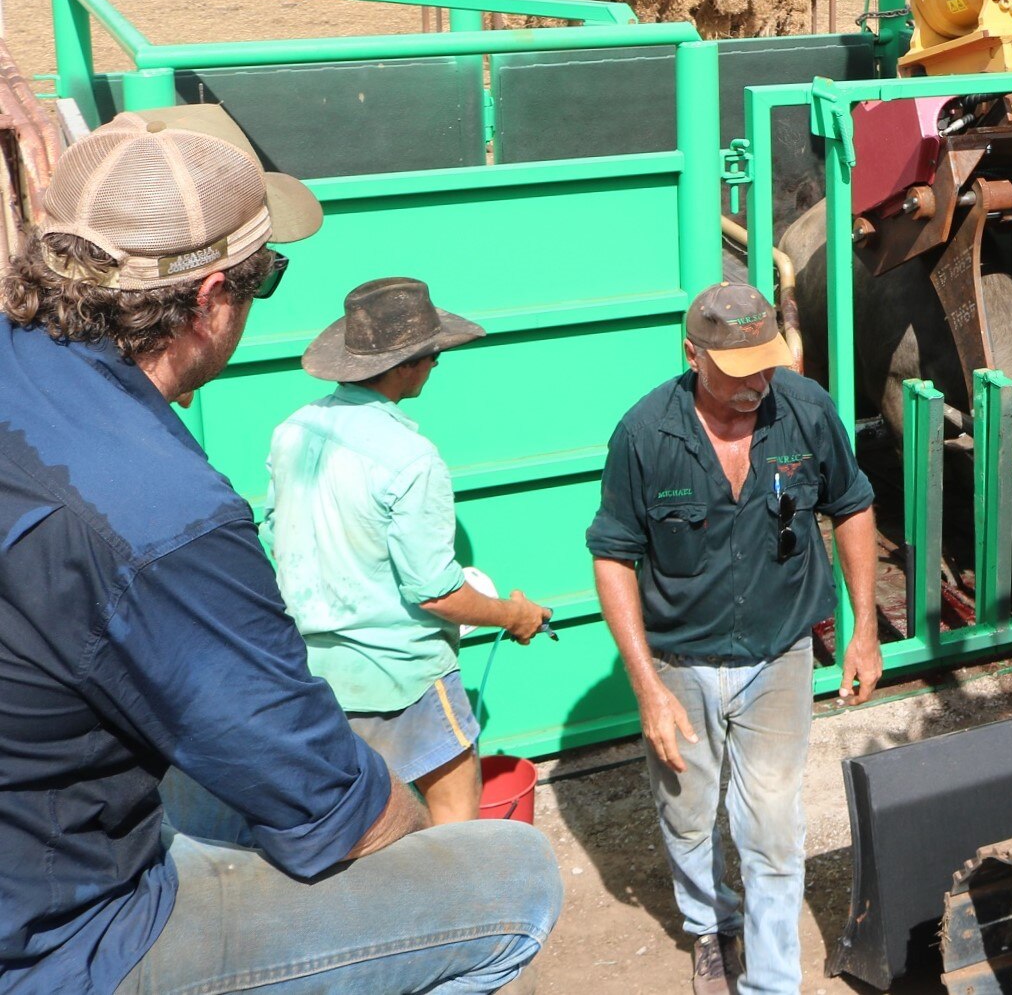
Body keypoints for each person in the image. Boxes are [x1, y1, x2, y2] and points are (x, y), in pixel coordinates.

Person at [0, 105, 561, 994]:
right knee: (509, 879)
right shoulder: (163, 511)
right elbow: (340, 809)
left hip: (43, 831)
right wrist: (414, 858)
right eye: (264, 278)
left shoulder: (279, 429)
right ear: (210, 297)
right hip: (62, 938)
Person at [588, 282, 880, 995]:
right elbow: (613, 555)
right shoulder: (644, 435)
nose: (757, 384)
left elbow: (852, 505)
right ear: (693, 355)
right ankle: (708, 926)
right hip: (679, 660)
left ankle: (771, 980)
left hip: (778, 652)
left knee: (772, 823)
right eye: (738, 370)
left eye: (766, 364)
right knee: (687, 813)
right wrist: (646, 687)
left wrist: (864, 629)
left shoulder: (806, 410)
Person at [266, 277, 554, 825]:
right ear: (404, 366)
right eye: (432, 355)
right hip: (402, 673)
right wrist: (513, 615)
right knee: (455, 816)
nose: (437, 364)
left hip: (316, 670)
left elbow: (277, 532)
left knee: (361, 824)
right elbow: (437, 595)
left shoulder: (292, 431)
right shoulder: (412, 458)